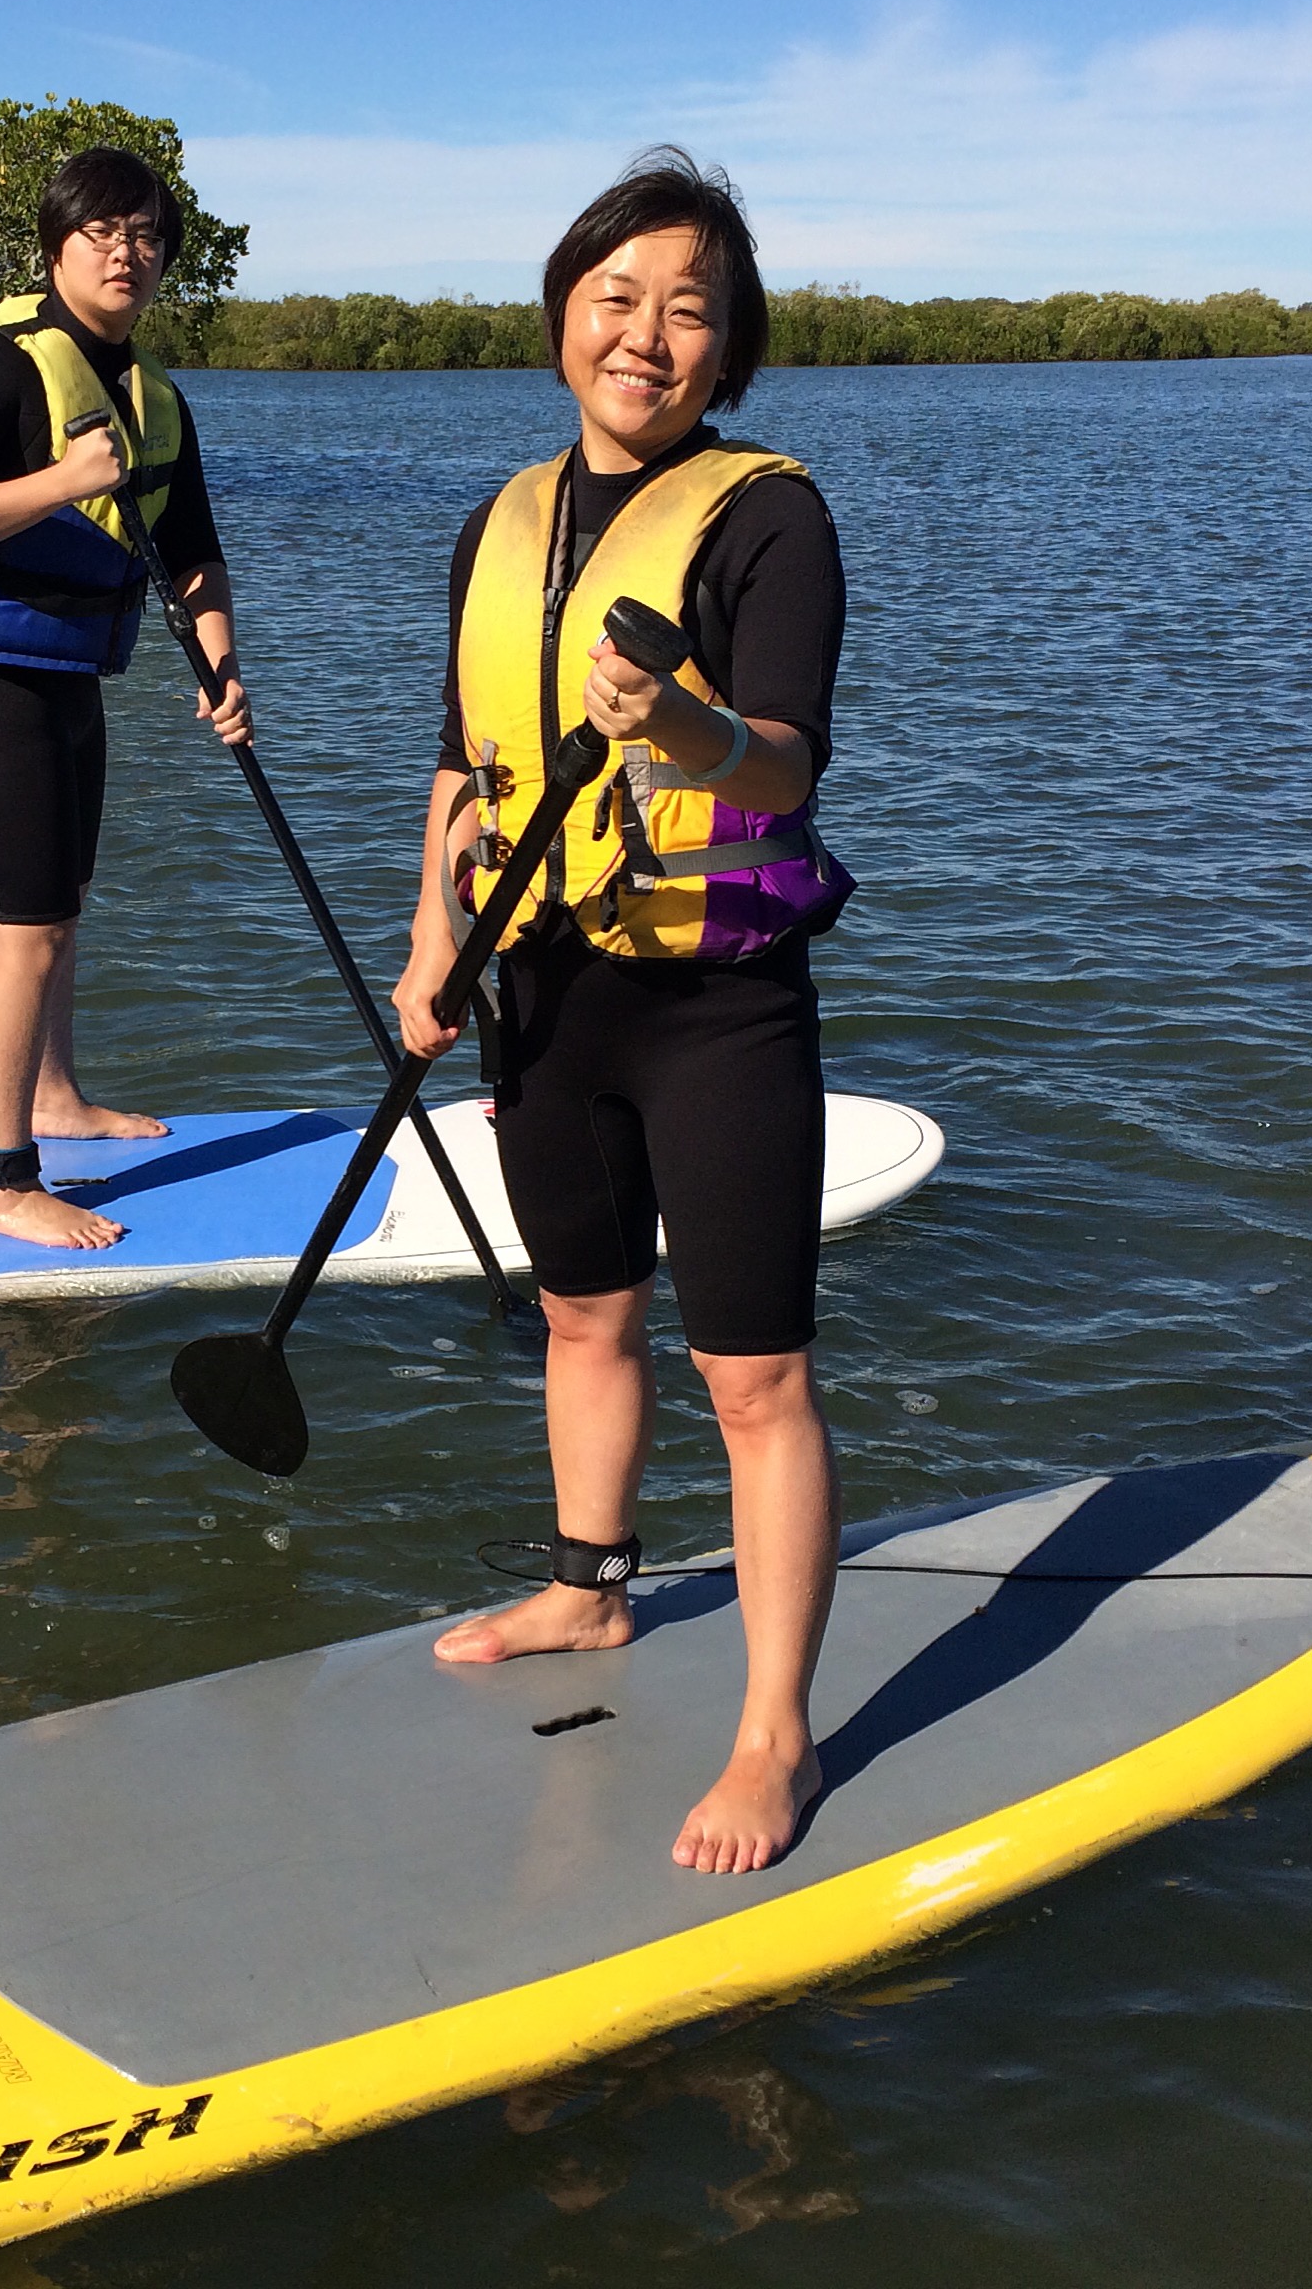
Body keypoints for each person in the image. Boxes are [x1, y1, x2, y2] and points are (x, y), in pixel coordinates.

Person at [391, 149, 852, 1876]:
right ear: (560, 315)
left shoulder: (769, 516)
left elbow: (788, 763)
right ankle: (589, 1593)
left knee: (751, 1371)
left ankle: (772, 1729)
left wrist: (689, 734)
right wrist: (430, 943)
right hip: (544, 989)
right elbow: (461, 765)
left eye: (685, 309)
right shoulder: (496, 520)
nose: (644, 333)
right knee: (581, 1320)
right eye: (615, 296)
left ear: (724, 352)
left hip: (712, 1003)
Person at [0, 147, 251, 1251]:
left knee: (64, 908)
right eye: (104, 230)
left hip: (69, 678)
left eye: (146, 235)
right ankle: (4, 1182)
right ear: (58, 246)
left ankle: (55, 1098)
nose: (127, 251)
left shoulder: (155, 399)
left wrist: (221, 664)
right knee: (26, 933)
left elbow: (193, 556)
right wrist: (61, 480)